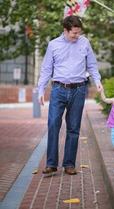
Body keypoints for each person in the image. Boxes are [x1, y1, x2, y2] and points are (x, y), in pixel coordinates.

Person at [38, 15, 103, 177]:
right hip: (58, 89)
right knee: (53, 124)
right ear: (65, 30)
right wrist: (40, 90)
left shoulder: (85, 43)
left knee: (73, 128)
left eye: (78, 33)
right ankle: (51, 164)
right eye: (73, 33)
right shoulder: (53, 45)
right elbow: (46, 69)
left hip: (78, 90)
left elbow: (93, 65)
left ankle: (69, 164)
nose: (76, 36)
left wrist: (98, 81)